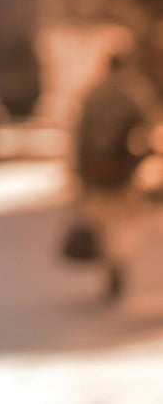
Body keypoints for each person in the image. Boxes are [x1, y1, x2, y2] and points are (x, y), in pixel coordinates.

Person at [71, 51, 160, 302]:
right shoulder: (134, 92)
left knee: (104, 219)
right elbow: (152, 125)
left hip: (95, 169)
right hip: (123, 169)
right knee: (125, 220)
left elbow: (79, 134)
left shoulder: (93, 93)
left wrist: (78, 170)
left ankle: (112, 262)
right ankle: (118, 260)